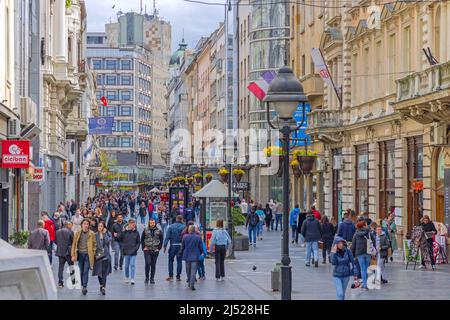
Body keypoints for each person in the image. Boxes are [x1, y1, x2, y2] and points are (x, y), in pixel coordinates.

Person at [71, 219, 96, 295]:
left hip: (88, 255)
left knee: (86, 271)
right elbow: (74, 244)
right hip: (80, 254)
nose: (86, 225)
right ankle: (82, 284)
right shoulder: (77, 233)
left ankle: (84, 286)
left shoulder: (92, 233)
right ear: (81, 225)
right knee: (81, 271)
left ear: (88, 225)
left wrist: (93, 252)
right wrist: (73, 255)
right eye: (84, 224)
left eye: (87, 224)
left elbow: (95, 244)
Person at [351, 220, 375, 290]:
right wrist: (373, 251)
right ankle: (366, 283)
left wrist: (352, 255)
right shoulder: (369, 233)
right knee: (367, 268)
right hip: (368, 253)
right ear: (364, 226)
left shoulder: (356, 234)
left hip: (359, 253)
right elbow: (373, 242)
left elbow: (353, 245)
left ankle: (364, 284)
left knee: (362, 269)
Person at [181, 225, 205, 291]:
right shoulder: (198, 237)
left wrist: (180, 252)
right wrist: (202, 252)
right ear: (194, 230)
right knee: (193, 271)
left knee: (188, 270)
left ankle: (189, 282)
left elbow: (183, 247)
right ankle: (192, 284)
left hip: (187, 256)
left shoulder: (185, 237)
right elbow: (200, 246)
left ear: (189, 230)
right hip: (195, 256)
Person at [163, 215, 186, 281]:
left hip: (173, 245)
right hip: (180, 246)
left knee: (170, 260)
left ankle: (171, 276)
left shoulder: (171, 227)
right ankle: (178, 276)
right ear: (182, 220)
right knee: (179, 261)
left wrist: (165, 246)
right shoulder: (184, 227)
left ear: (176, 219)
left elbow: (167, 237)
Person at [141, 218, 163, 285]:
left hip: (155, 250)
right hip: (147, 249)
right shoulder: (145, 230)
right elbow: (142, 239)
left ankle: (152, 278)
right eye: (151, 223)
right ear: (149, 223)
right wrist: (143, 247)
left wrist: (158, 248)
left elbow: (161, 240)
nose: (152, 224)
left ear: (155, 223)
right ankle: (147, 277)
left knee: (153, 264)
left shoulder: (159, 231)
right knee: (148, 263)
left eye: (153, 223)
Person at [92, 221, 112, 295]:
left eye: (101, 226)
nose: (100, 227)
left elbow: (107, 241)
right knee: (98, 272)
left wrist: (104, 234)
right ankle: (101, 284)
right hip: (98, 256)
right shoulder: (95, 235)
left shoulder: (108, 234)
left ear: (104, 227)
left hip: (105, 256)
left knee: (104, 273)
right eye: (99, 226)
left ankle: (103, 287)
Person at [119, 218, 140, 285]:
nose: (132, 225)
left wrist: (136, 248)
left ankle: (132, 278)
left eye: (133, 224)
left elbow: (138, 242)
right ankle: (127, 277)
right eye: (131, 224)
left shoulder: (136, 232)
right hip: (126, 251)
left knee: (132, 265)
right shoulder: (124, 232)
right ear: (128, 224)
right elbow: (120, 239)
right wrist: (124, 231)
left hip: (133, 251)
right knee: (126, 266)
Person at [55, 221, 74, 288]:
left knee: (60, 268)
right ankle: (73, 281)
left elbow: (56, 241)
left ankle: (60, 282)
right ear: (68, 225)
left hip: (60, 252)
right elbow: (73, 242)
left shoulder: (57, 231)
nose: (71, 226)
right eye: (71, 225)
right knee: (71, 267)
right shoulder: (70, 232)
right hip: (68, 252)